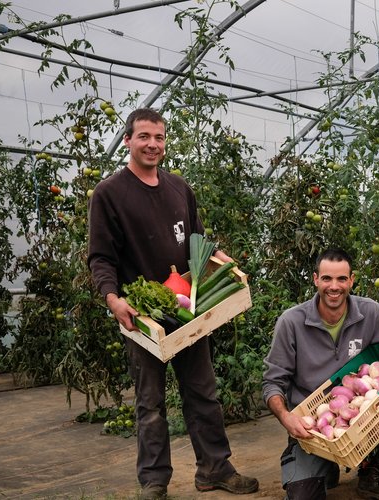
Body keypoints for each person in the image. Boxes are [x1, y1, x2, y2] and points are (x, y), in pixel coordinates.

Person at [88, 108, 258, 499]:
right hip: (143, 316)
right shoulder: (110, 194)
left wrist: (220, 259)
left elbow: (197, 241)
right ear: (128, 140)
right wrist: (114, 300)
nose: (153, 144)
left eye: (160, 137)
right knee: (150, 401)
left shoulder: (179, 188)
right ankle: (154, 481)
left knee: (203, 391)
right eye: (144, 136)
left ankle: (214, 469)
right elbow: (101, 257)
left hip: (186, 308)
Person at [262, 248, 379, 500]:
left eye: (341, 279)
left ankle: (375, 473)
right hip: (313, 427)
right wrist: (285, 417)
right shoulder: (291, 322)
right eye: (326, 279)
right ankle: (319, 465)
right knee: (303, 496)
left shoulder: (370, 312)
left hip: (366, 414)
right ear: (315, 279)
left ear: (352, 279)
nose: (334, 287)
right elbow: (272, 382)